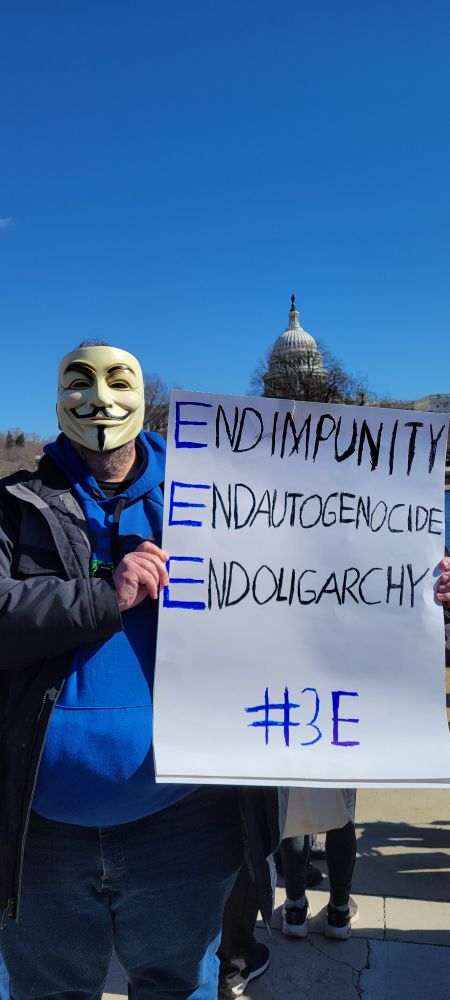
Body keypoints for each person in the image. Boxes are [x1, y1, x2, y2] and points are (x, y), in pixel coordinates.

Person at [0, 342, 283, 1000]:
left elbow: (309, 589)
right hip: (41, 828)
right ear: (57, 397)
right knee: (46, 990)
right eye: (79, 383)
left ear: (142, 398)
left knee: (175, 986)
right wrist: (106, 595)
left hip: (183, 822)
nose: (99, 399)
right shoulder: (15, 505)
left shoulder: (218, 499)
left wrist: (411, 590)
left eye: (117, 382)